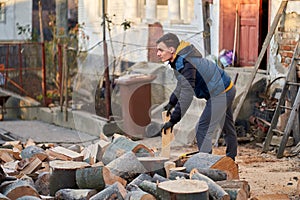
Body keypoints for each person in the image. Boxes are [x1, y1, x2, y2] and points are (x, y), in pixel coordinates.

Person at [156, 33, 238, 160]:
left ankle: (205, 163)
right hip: (226, 88)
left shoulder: (186, 63)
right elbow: (181, 85)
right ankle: (231, 160)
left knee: (202, 129)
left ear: (171, 50)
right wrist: (171, 103)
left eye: (160, 50)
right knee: (227, 127)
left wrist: (173, 120)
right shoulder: (180, 60)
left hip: (221, 93)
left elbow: (187, 95)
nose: (158, 53)